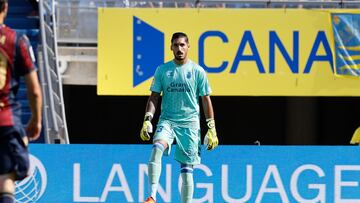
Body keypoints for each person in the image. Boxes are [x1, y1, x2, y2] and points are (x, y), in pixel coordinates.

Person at [140, 32, 218, 203]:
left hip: (190, 124)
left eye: (182, 45)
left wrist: (211, 128)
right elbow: (154, 96)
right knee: (156, 149)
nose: (179, 48)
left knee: (187, 170)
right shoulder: (163, 70)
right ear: (171, 47)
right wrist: (148, 119)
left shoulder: (197, 71)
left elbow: (206, 99)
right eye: (176, 45)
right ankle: (152, 196)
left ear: (188, 46)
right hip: (167, 120)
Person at [0, 1, 42, 202]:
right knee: (7, 177)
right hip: (5, 121)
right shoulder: (16, 40)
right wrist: (36, 120)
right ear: (5, 8)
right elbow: (34, 91)